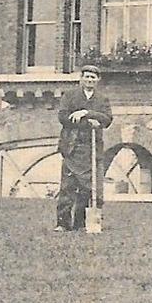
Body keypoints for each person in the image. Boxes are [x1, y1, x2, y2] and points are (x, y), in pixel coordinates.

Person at [55, 64, 113, 232]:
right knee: (68, 185)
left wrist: (86, 112)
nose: (89, 80)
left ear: (98, 80)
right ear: (81, 78)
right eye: (87, 77)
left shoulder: (102, 99)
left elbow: (107, 119)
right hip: (72, 147)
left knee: (89, 187)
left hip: (92, 149)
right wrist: (88, 122)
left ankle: (81, 223)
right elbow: (63, 117)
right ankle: (63, 223)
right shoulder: (70, 96)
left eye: (93, 78)